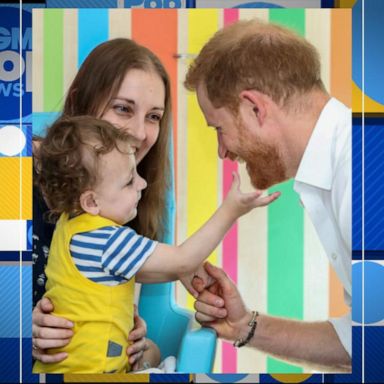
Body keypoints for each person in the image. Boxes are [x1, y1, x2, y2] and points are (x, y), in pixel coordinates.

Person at [32, 115, 279, 373]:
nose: (142, 184)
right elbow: (182, 259)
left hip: (74, 368)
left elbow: (172, 268)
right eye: (129, 181)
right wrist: (230, 210)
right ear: (91, 202)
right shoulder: (107, 241)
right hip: (90, 372)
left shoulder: (69, 227)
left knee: (159, 359)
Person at [185, 19, 351, 372]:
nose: (222, 150)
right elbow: (364, 341)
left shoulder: (362, 172)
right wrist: (245, 326)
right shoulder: (340, 164)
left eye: (219, 128)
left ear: (254, 108)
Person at [32, 37, 206, 370]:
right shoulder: (14, 170)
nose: (139, 133)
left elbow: (141, 336)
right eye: (123, 108)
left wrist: (141, 346)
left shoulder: (131, 195)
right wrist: (20, 330)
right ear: (79, 102)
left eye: (153, 116)